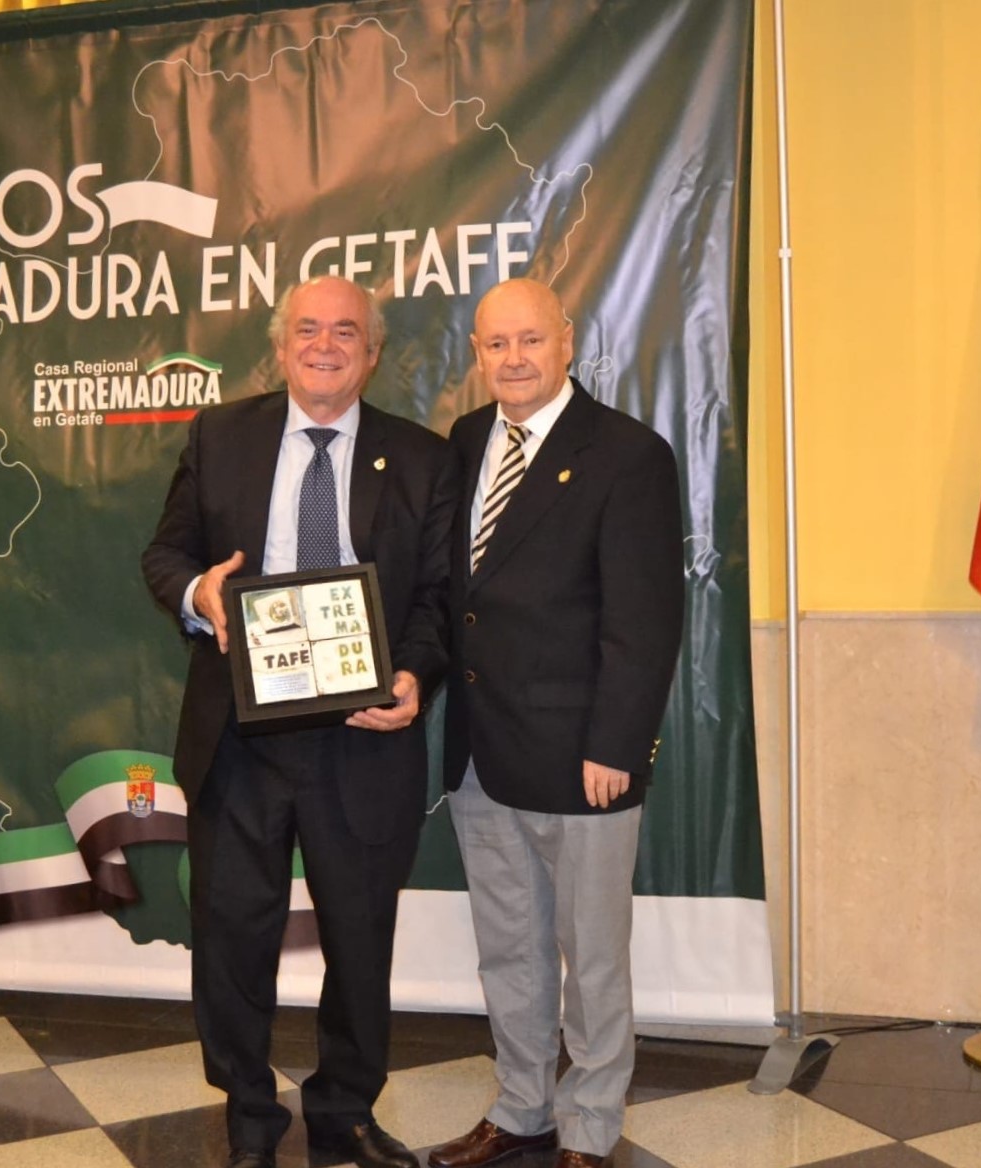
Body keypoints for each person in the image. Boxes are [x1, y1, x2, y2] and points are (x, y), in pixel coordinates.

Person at [141, 276, 457, 1168]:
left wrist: (412, 677)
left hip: (361, 737)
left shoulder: (423, 459)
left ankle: (345, 1111)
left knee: (360, 937)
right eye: (308, 330)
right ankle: (247, 1115)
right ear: (281, 347)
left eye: (346, 331)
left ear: (372, 351)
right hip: (238, 736)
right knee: (233, 935)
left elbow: (436, 600)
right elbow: (165, 555)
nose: (325, 345)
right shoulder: (219, 435)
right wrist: (203, 592)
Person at [429, 278, 684, 1168]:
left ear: (567, 342)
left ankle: (590, 1125)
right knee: (510, 953)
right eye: (496, 344)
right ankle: (522, 1106)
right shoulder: (464, 444)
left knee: (594, 961)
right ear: (477, 352)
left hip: (583, 759)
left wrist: (616, 744)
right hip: (480, 757)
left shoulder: (627, 455)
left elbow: (644, 621)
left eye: (530, 340)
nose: (514, 360)